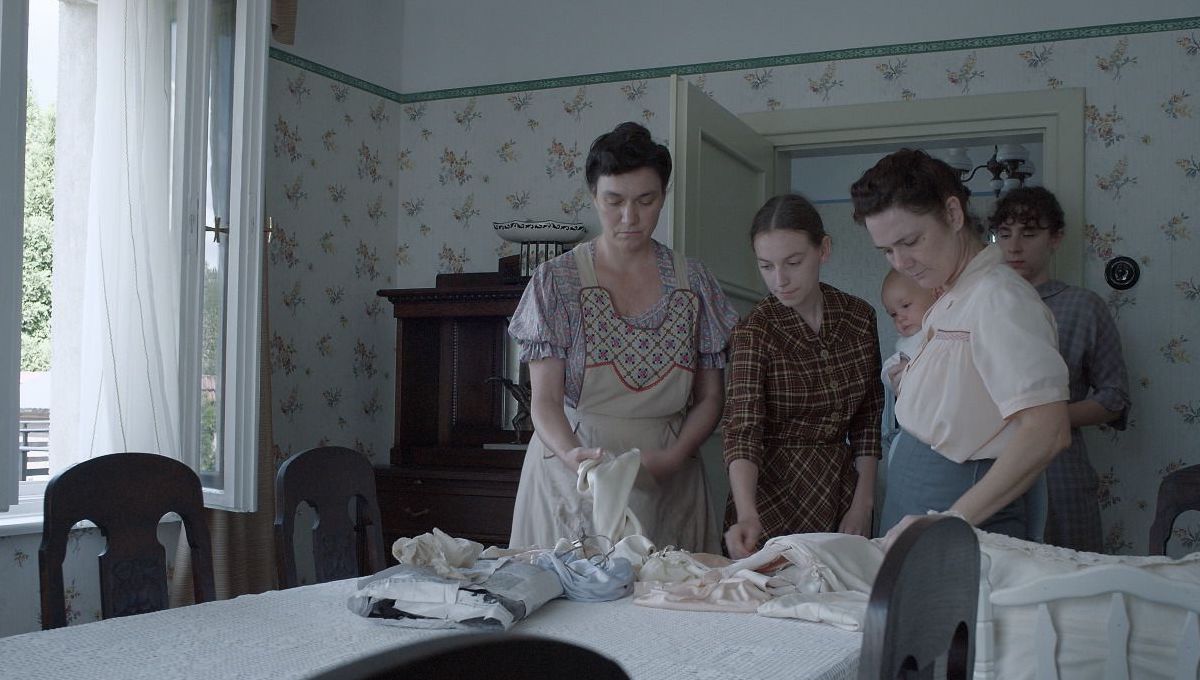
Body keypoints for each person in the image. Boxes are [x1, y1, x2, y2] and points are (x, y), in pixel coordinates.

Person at [507, 121, 739, 553]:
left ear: (664, 197)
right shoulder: (556, 282)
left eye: (645, 201)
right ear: (594, 196)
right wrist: (573, 455)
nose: (630, 218)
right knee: (567, 609)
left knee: (671, 608)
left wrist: (675, 456)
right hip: (572, 471)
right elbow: (544, 400)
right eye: (614, 201)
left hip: (668, 474)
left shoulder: (695, 282)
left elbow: (711, 397)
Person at [850, 148, 1071, 544]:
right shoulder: (951, 297)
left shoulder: (999, 298)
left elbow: (1047, 431)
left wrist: (953, 519)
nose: (900, 263)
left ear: (953, 214)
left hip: (958, 499)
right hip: (922, 490)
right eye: (886, 250)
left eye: (911, 241)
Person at [722, 194, 884, 559]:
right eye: (766, 266)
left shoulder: (858, 318)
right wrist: (748, 514)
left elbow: (868, 419)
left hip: (840, 489)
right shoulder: (755, 331)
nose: (779, 280)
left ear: (823, 249)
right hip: (770, 493)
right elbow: (743, 430)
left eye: (793, 262)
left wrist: (863, 501)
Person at [990, 186, 1130, 553]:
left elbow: (1114, 398)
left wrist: (1045, 418)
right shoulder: (982, 306)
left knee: (1073, 577)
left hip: (1061, 471)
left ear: (1056, 239)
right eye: (1004, 235)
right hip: (990, 468)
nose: (1014, 246)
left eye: (1029, 234)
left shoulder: (1083, 306)